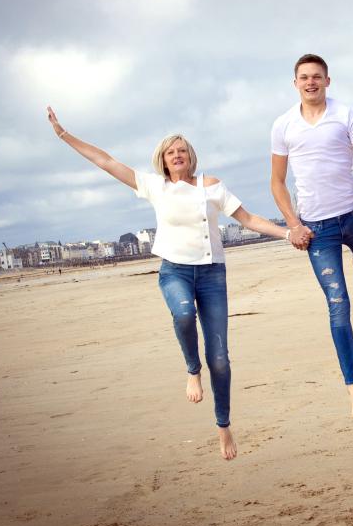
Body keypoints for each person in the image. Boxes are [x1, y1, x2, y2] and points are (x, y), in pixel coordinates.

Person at [47, 106, 290, 459]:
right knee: (182, 315)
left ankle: (224, 427)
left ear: (190, 157)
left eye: (182, 151)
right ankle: (193, 370)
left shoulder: (211, 185)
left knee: (220, 358)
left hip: (212, 274)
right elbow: (106, 161)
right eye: (170, 152)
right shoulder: (154, 186)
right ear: (162, 160)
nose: (177, 155)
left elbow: (249, 218)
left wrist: (287, 233)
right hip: (174, 270)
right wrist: (64, 135)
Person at [270, 54, 353, 424]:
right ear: (295, 83)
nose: (310, 82)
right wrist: (293, 225)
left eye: (316, 77)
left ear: (327, 81)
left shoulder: (346, 114)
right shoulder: (283, 125)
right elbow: (277, 182)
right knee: (338, 305)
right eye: (304, 77)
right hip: (317, 230)